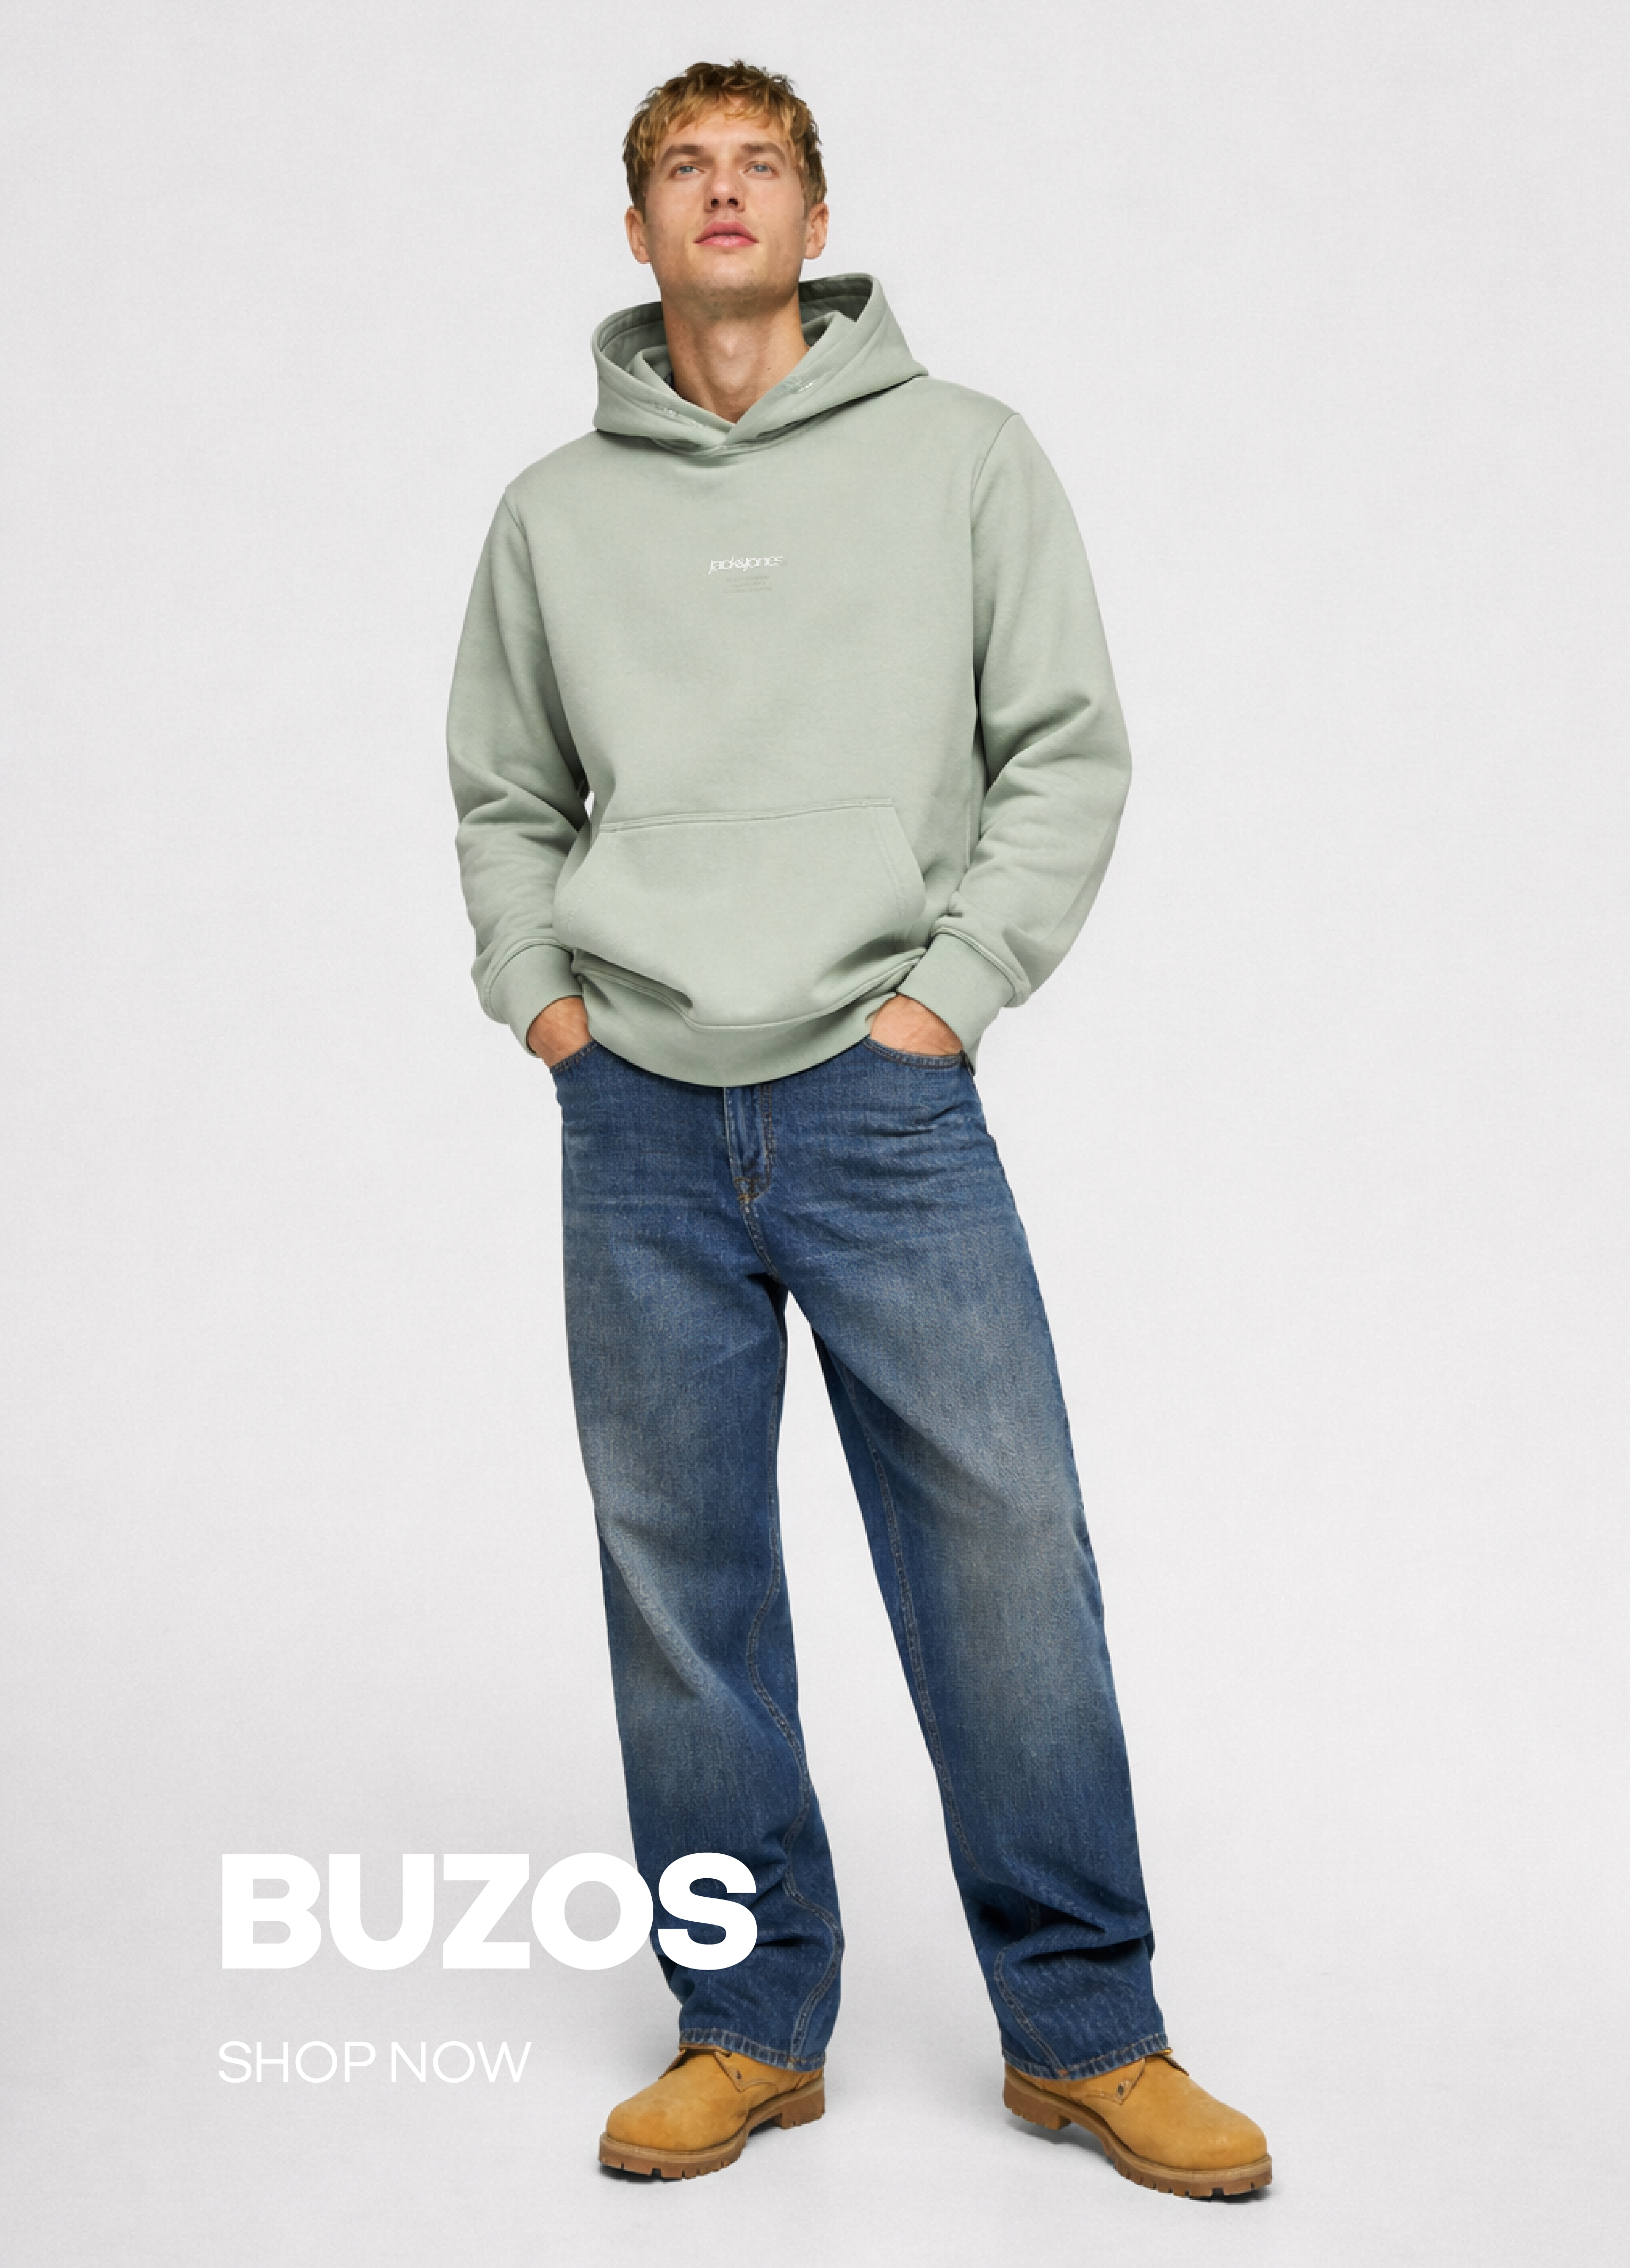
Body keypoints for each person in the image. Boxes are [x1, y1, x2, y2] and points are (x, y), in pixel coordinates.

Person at [448, 58, 1269, 2197]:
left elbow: (1062, 751)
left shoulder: (964, 457)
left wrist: (943, 1000)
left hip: (880, 1100)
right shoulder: (554, 512)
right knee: (681, 1586)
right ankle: (743, 2024)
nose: (721, 193)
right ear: (637, 229)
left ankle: (1085, 2032)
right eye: (681, 168)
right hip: (634, 1108)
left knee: (1003, 1557)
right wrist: (546, 1002)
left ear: (815, 219)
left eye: (760, 164)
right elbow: (507, 792)